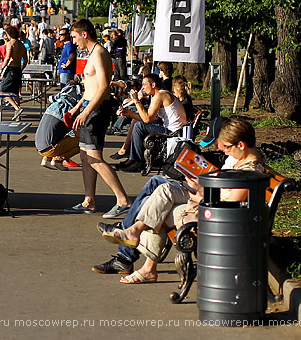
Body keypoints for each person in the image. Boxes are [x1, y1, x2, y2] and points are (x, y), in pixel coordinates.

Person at [101, 117, 265, 283]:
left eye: (228, 147)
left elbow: (229, 208)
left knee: (161, 210)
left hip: (216, 216)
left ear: (241, 145)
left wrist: (201, 196)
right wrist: (201, 187)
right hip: (209, 201)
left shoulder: (249, 172)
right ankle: (135, 234)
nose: (225, 151)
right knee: (163, 191)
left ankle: (144, 261)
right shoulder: (241, 161)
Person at [63, 18, 130, 218]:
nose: (73, 42)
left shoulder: (100, 53)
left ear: (84, 34)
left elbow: (103, 87)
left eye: (74, 37)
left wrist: (85, 111)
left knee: (94, 158)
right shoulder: (91, 54)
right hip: (88, 107)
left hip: (97, 110)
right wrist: (77, 108)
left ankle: (123, 200)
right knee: (85, 156)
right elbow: (89, 88)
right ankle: (89, 200)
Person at [116, 73, 187, 172]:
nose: (142, 88)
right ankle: (133, 159)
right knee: (138, 124)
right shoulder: (158, 95)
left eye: (145, 85)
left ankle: (137, 161)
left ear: (153, 85)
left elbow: (146, 119)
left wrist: (136, 101)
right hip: (174, 130)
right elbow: (148, 117)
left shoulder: (160, 95)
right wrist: (129, 113)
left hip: (174, 132)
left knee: (139, 126)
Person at [36, 82, 82, 170]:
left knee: (57, 134)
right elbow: (76, 133)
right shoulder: (69, 109)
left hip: (39, 147)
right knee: (83, 142)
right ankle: (58, 160)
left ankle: (46, 159)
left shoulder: (54, 105)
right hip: (50, 148)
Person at [0, 25, 27, 121]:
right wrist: (21, 68)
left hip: (11, 68)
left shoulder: (11, 43)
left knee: (3, 90)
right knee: (15, 92)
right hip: (18, 69)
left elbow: (7, 57)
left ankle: (17, 108)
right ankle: (17, 115)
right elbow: (26, 60)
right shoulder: (22, 45)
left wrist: (2, 68)